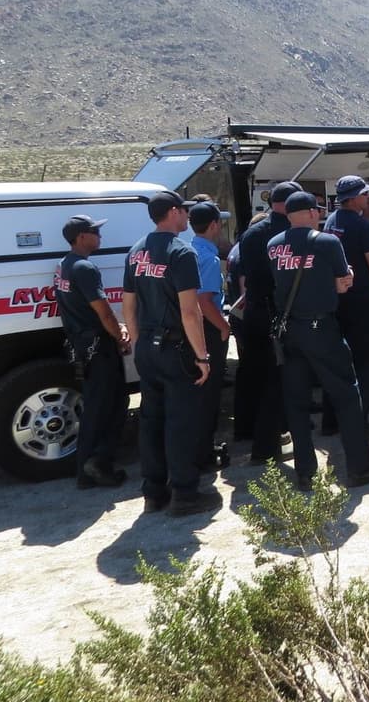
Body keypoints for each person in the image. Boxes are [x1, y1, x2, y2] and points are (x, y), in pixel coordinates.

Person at [268, 191, 369, 489]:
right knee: (348, 396)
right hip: (321, 327)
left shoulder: (274, 245)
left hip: (289, 330)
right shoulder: (326, 242)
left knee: (296, 403)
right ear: (312, 213)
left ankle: (304, 472)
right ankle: (360, 468)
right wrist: (339, 279)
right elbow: (343, 283)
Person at [122, 190, 221, 517]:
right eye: (184, 212)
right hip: (175, 347)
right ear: (175, 212)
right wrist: (202, 356)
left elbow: (129, 305)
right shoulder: (181, 251)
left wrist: (137, 344)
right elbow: (190, 312)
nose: (187, 219)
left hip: (147, 346)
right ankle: (184, 494)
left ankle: (154, 492)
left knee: (151, 419)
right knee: (180, 421)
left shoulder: (136, 251)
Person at [54, 214, 130, 489]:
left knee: (95, 406)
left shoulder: (64, 265)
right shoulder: (84, 268)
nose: (100, 236)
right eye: (95, 232)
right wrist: (120, 335)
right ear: (82, 237)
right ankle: (98, 464)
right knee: (111, 405)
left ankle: (86, 471)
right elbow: (103, 311)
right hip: (99, 347)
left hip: (81, 345)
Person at [234, 180, 301, 462]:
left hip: (254, 312)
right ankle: (266, 448)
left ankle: (257, 437)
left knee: (259, 378)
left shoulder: (252, 233)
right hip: (278, 315)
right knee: (277, 382)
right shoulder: (288, 234)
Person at [323, 175, 369, 435]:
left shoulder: (332, 221)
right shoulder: (363, 226)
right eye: (364, 194)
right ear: (354, 198)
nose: (367, 198)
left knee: (336, 362)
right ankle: (358, 424)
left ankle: (331, 422)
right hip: (361, 301)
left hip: (336, 300)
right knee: (362, 365)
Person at [189, 201, 231, 471]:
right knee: (209, 392)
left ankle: (198, 446)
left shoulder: (188, 249)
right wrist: (224, 327)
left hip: (191, 329)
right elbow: (204, 302)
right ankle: (204, 451)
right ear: (214, 225)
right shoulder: (209, 257)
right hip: (208, 328)